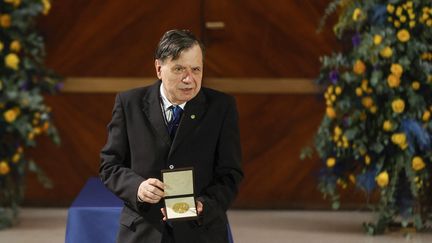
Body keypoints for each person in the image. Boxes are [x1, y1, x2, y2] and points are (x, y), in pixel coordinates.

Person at [99, 29, 243, 243]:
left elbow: (231, 173)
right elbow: (109, 166)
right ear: (159, 68)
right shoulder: (129, 104)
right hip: (143, 230)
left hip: (200, 231)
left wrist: (205, 204)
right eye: (179, 69)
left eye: (196, 69)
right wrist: (137, 188)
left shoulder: (222, 107)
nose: (189, 79)